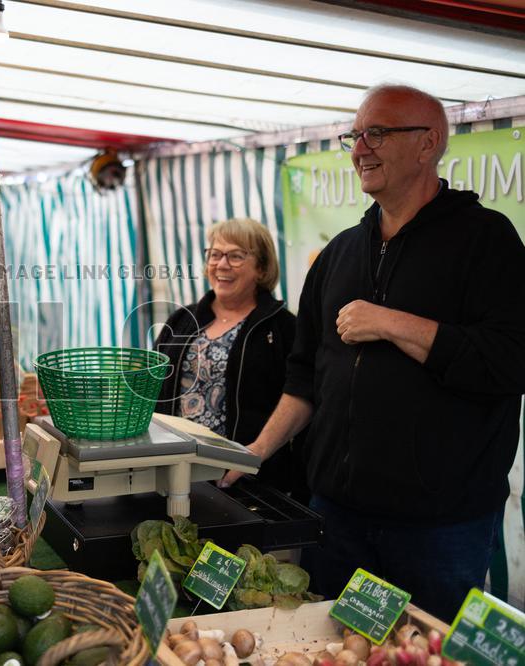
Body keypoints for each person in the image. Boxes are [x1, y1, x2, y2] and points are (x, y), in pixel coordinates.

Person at [220, 84, 525, 622]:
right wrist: (257, 451)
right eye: (355, 136)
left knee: (424, 652)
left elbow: (510, 360)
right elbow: (304, 377)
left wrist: (391, 322)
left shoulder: (486, 241)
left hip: (439, 527)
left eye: (377, 134)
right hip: (337, 517)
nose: (360, 149)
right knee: (329, 647)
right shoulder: (339, 253)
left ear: (428, 143)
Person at [154, 218, 303, 496]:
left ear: (261, 268)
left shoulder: (283, 327)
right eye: (215, 254)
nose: (222, 265)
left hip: (246, 478)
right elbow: (151, 388)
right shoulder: (182, 320)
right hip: (174, 471)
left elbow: (301, 397)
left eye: (235, 256)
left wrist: (256, 455)